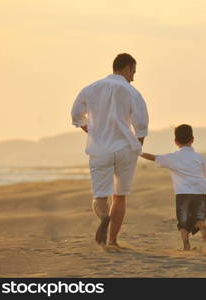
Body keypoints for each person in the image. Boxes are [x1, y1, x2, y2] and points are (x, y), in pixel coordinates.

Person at [71, 53, 149, 249]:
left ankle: (104, 218)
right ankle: (113, 239)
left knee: (100, 197)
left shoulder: (90, 88)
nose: (133, 77)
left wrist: (91, 130)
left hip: (99, 149)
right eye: (133, 72)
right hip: (125, 148)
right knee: (120, 195)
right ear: (128, 68)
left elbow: (75, 115)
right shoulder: (132, 92)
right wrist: (138, 145)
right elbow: (141, 123)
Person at [140, 124, 206, 250]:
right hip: (200, 193)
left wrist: (139, 153)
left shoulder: (173, 158)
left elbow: (154, 157)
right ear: (193, 139)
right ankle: (200, 223)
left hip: (183, 194)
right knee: (199, 216)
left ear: (176, 142)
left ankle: (186, 244)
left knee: (183, 222)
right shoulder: (200, 158)